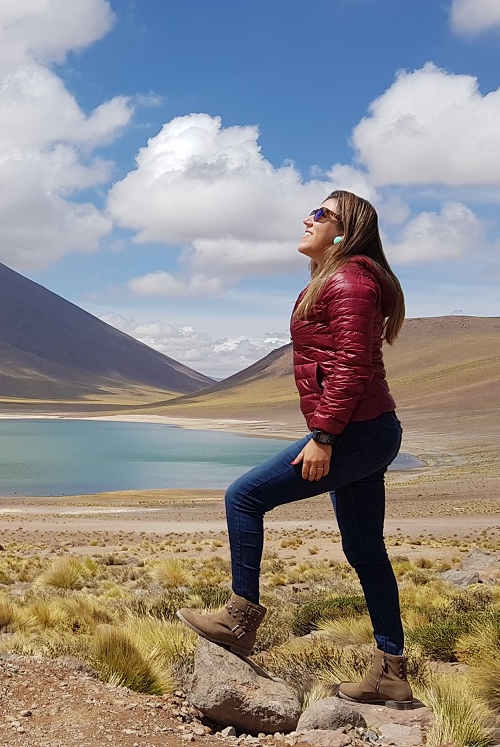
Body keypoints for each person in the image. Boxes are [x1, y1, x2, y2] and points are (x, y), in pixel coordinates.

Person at [176, 190, 416, 709]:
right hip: (368, 431)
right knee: (365, 551)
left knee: (244, 497)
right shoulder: (339, 278)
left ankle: (239, 621)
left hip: (354, 432)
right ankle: (391, 673)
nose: (308, 218)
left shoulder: (349, 281)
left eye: (321, 214)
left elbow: (350, 367)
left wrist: (324, 437)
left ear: (345, 232)